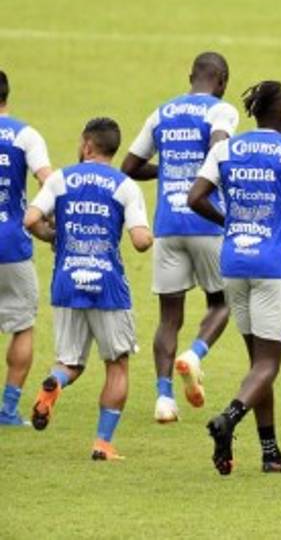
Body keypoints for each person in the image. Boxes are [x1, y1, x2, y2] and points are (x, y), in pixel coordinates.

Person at [188, 81, 281, 475]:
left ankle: (270, 453)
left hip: (233, 264)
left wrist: (229, 221)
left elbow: (195, 197)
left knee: (258, 365)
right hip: (271, 266)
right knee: (267, 365)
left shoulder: (225, 148)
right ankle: (228, 418)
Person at [23, 117, 153, 460]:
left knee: (70, 362)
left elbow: (30, 219)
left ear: (86, 145)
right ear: (113, 148)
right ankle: (102, 443)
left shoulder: (61, 179)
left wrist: (53, 237)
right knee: (117, 364)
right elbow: (140, 241)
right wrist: (151, 236)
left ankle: (54, 382)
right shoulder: (125, 186)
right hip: (108, 287)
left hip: (67, 281)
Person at [120, 52, 237, 423]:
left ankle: (164, 398)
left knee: (169, 317)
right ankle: (196, 354)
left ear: (191, 77)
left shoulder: (162, 113)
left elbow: (129, 167)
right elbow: (220, 150)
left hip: (167, 226)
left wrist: (168, 169)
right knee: (223, 302)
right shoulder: (221, 111)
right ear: (221, 81)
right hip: (207, 222)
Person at [0, 70, 53, 427]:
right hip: (11, 243)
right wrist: (52, 230)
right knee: (22, 325)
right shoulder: (25, 135)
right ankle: (7, 409)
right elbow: (48, 182)